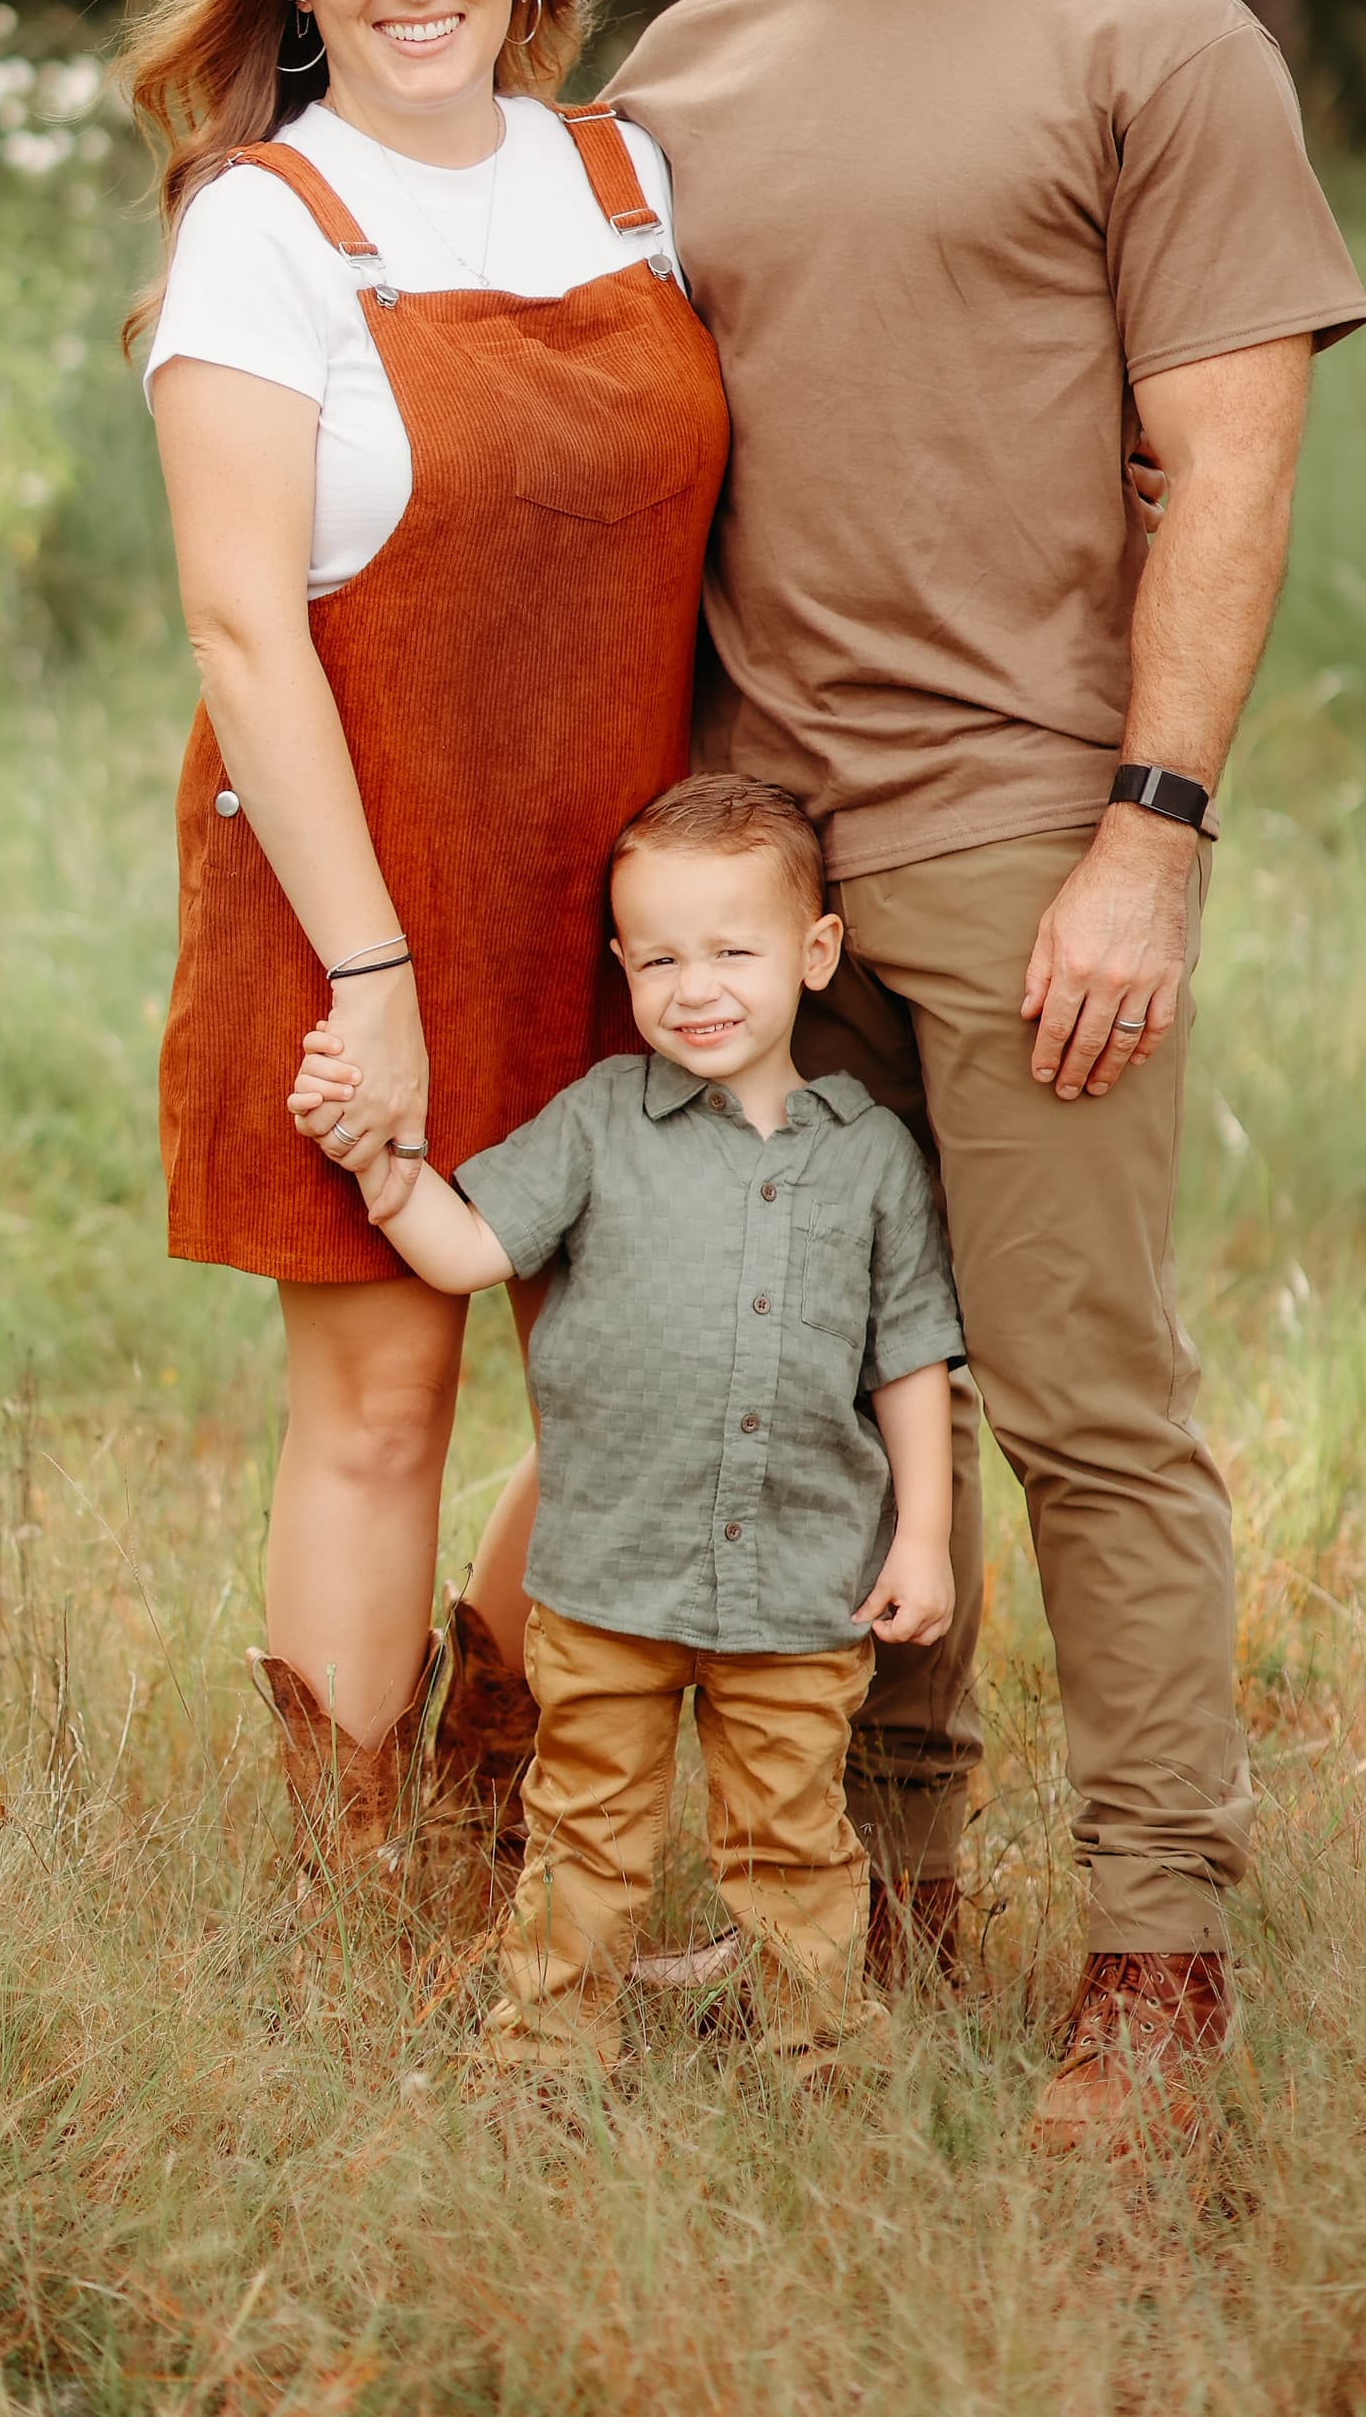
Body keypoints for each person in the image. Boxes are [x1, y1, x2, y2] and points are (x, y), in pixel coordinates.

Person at [608, 0, 1366, 2150]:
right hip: (762, 870)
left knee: (1080, 1404)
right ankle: (875, 1903)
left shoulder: (1149, 33)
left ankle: (1160, 1954)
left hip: (1027, 836)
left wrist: (1152, 834)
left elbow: (1230, 460)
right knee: (822, 1385)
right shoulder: (684, 67)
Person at [125, 0, 728, 1892]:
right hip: (358, 896)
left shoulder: (631, 183)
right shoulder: (263, 229)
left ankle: (487, 1770)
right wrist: (370, 976)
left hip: (630, 904)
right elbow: (241, 624)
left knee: (670, 1377)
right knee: (384, 1406)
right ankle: (349, 1889)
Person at [293, 773, 961, 2073]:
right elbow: (468, 1251)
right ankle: (546, 2055)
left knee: (790, 1842)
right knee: (584, 1832)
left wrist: (922, 1537)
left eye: (733, 952)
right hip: (608, 1583)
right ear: (621, 966)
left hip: (799, 1587)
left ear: (816, 952)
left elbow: (911, 1357)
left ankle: (824, 2056)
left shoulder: (873, 1158)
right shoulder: (600, 1122)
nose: (695, 988)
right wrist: (377, 1162)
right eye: (659, 960)